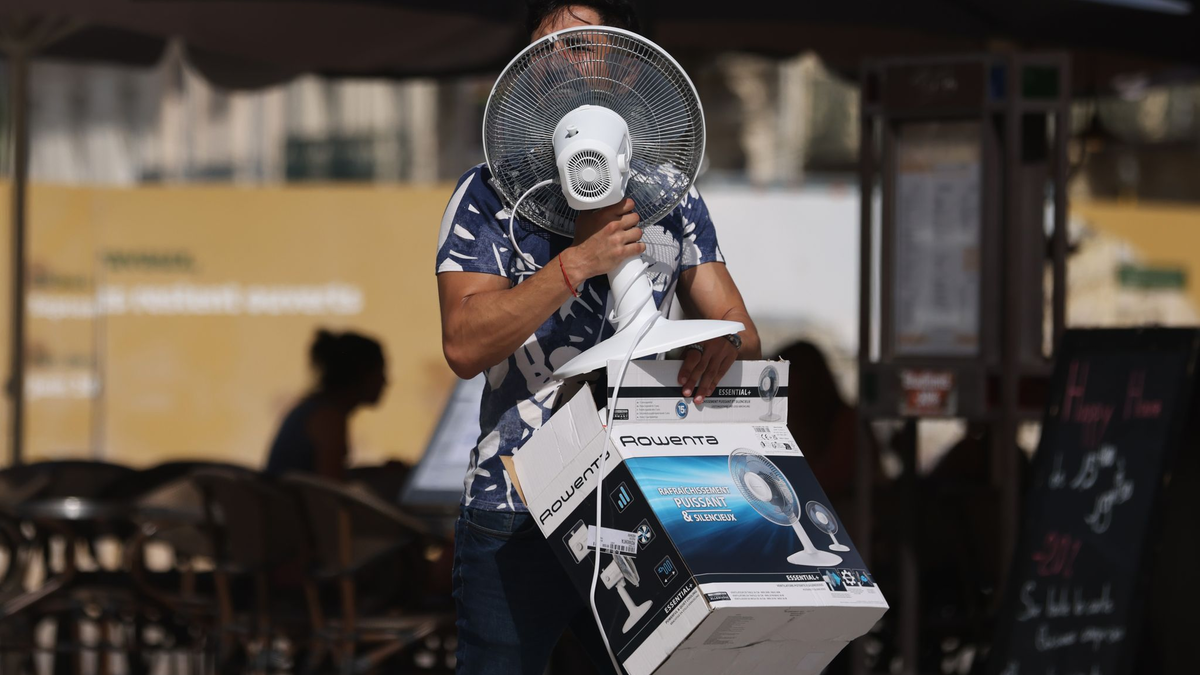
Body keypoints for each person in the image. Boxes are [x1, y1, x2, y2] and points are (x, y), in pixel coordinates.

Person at [435, 3, 761, 674]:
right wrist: (574, 267)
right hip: (516, 502)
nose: (565, 60)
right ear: (523, 80)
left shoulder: (672, 193)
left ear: (620, 62)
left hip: (647, 500)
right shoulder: (488, 195)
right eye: (544, 51)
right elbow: (465, 345)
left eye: (584, 44)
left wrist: (722, 345)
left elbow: (740, 328)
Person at [264, 329, 387, 482]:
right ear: (361, 375)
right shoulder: (329, 419)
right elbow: (331, 491)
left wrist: (380, 472)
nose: (385, 381)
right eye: (380, 371)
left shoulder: (315, 409)